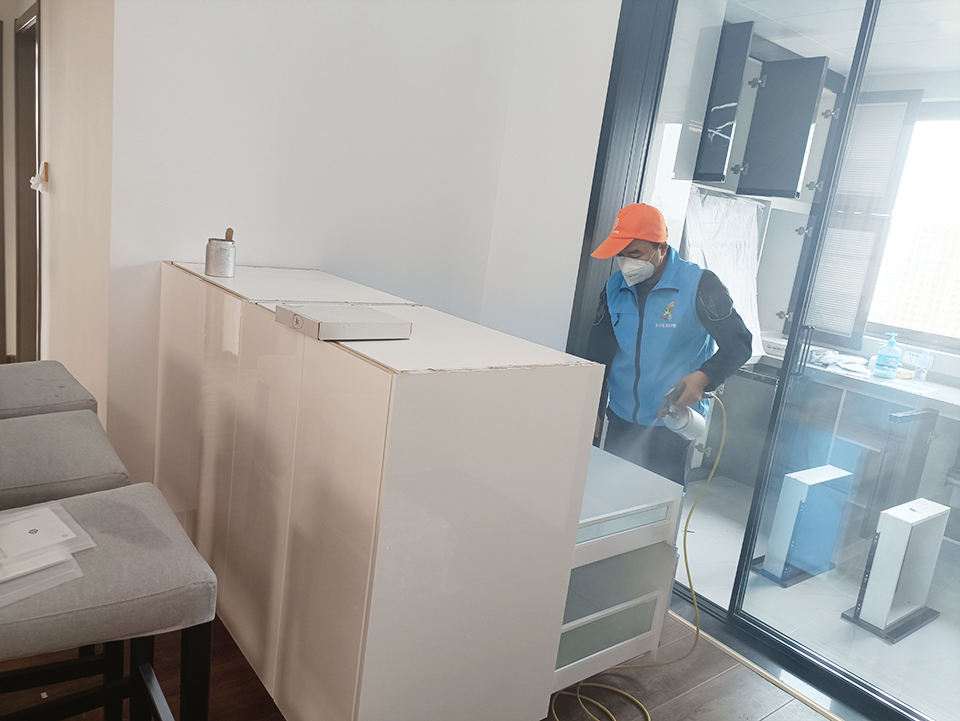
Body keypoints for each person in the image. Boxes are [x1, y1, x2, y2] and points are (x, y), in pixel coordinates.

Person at [585, 203, 752, 484]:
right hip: (621, 417)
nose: (626, 262)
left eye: (635, 254)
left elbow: (739, 343)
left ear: (662, 248)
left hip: (671, 423)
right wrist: (592, 406)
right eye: (620, 255)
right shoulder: (615, 287)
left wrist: (703, 378)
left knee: (659, 501)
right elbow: (599, 351)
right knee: (612, 495)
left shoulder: (699, 285)